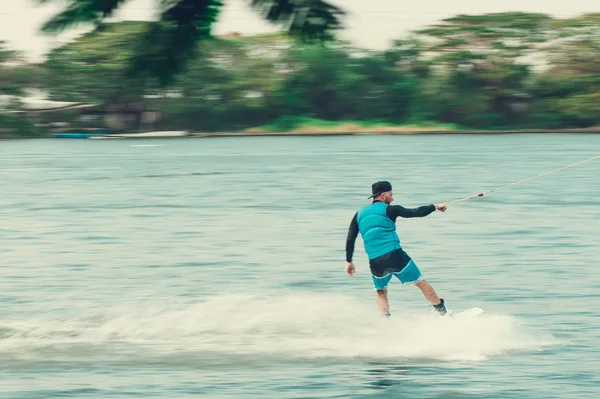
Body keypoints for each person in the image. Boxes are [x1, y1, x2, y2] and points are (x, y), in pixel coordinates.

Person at [345, 180, 449, 317]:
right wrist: (434, 206)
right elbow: (417, 212)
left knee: (381, 290)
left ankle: (385, 323)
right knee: (421, 282)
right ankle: (444, 314)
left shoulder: (359, 214)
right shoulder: (390, 209)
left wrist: (349, 261)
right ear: (383, 195)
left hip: (375, 261)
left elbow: (350, 238)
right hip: (394, 255)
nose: (392, 198)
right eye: (391, 194)